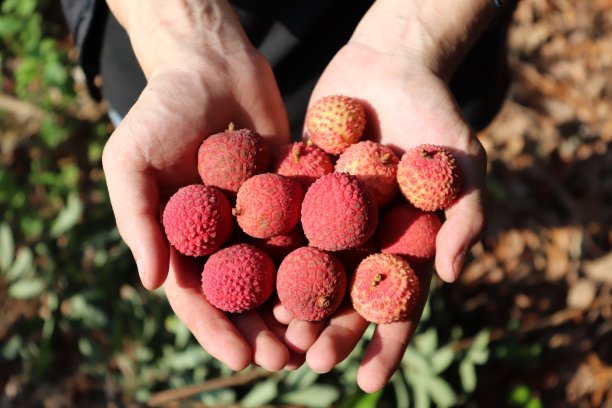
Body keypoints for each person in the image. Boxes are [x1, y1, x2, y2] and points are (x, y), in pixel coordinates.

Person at [61, 0, 515, 393]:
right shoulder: (231, 190)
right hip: (170, 62)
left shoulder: (363, 174)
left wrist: (417, 36)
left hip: (405, 63)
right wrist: (185, 37)